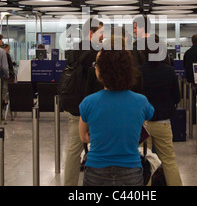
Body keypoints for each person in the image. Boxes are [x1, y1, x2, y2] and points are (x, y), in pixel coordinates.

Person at [79, 37, 154, 186]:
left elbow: (84, 137)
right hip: (131, 170)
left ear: (100, 72)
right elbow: (143, 125)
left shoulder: (88, 102)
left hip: (96, 170)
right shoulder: (141, 102)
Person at [140, 35, 183, 186]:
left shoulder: (139, 71)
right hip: (163, 121)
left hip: (143, 123)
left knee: (145, 162)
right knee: (169, 160)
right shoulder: (169, 71)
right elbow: (177, 98)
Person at [63, 20, 100, 186]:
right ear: (91, 34)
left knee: (73, 148)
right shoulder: (96, 52)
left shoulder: (73, 51)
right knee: (100, 147)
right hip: (93, 106)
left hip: (74, 104)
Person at [183, 34, 197, 123]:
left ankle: (193, 118)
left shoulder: (187, 52)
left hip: (190, 79)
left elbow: (184, 65)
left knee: (192, 99)